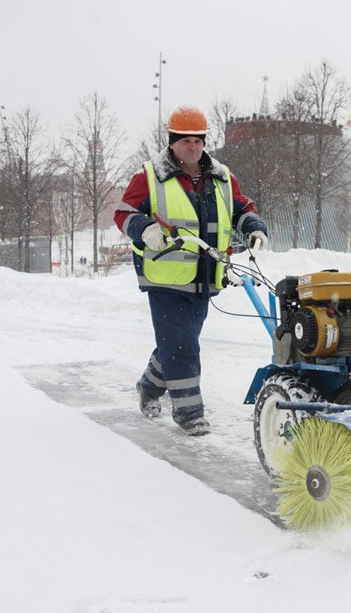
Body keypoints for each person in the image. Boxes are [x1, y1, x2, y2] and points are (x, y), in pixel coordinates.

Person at [114, 105, 269, 435]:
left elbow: (241, 208)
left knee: (176, 344)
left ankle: (149, 386)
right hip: (165, 279)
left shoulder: (222, 176)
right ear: (171, 141)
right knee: (183, 346)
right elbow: (123, 212)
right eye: (185, 141)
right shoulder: (150, 175)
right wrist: (144, 228)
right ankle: (189, 413)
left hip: (204, 278)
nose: (193, 147)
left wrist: (254, 227)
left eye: (198, 140)